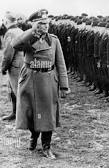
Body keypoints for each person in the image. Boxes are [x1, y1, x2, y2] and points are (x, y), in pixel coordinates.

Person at [12, 9, 69, 159]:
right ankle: (33, 136)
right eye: (41, 24)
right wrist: (31, 32)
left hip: (48, 80)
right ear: (35, 25)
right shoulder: (28, 38)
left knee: (48, 114)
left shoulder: (54, 40)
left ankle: (46, 146)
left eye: (47, 23)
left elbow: (61, 64)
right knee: (30, 112)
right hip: (30, 78)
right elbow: (15, 44)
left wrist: (64, 86)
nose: (45, 26)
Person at [1, 11, 24, 121]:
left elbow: (8, 53)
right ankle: (15, 113)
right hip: (22, 64)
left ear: (6, 21)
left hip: (15, 66)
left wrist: (4, 67)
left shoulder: (10, 33)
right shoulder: (20, 30)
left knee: (17, 91)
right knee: (14, 90)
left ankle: (21, 116)